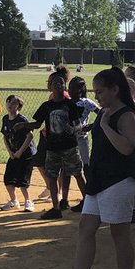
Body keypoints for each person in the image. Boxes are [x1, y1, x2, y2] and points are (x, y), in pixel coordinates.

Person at [48, 67, 135, 269]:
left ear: (115, 90)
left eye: (100, 91)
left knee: (119, 233)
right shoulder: (105, 112)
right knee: (86, 228)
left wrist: (108, 125)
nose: (97, 95)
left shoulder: (125, 115)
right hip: (99, 181)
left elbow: (127, 147)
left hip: (119, 180)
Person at [23, 75, 83, 221]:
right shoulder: (46, 106)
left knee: (78, 174)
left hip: (69, 147)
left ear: (65, 86)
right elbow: (37, 124)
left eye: (61, 83)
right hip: (52, 148)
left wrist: (73, 129)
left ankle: (89, 204)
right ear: (49, 87)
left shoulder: (70, 105)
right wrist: (23, 125)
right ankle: (56, 208)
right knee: (52, 177)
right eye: (55, 83)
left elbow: (79, 124)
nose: (58, 85)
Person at [0, 95, 37, 212]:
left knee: (23, 181)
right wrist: (10, 152)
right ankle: (14, 201)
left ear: (19, 107)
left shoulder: (22, 120)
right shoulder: (5, 119)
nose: (10, 105)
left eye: (14, 103)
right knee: (8, 179)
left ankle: (28, 201)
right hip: (14, 154)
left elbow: (30, 136)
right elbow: (5, 137)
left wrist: (20, 151)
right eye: (8, 102)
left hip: (26, 154)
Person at [68, 76, 97, 212]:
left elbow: (102, 113)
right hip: (68, 139)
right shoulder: (67, 102)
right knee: (69, 169)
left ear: (81, 90)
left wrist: (91, 126)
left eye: (74, 88)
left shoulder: (86, 103)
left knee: (85, 167)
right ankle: (65, 199)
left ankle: (90, 196)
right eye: (70, 88)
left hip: (81, 139)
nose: (71, 91)